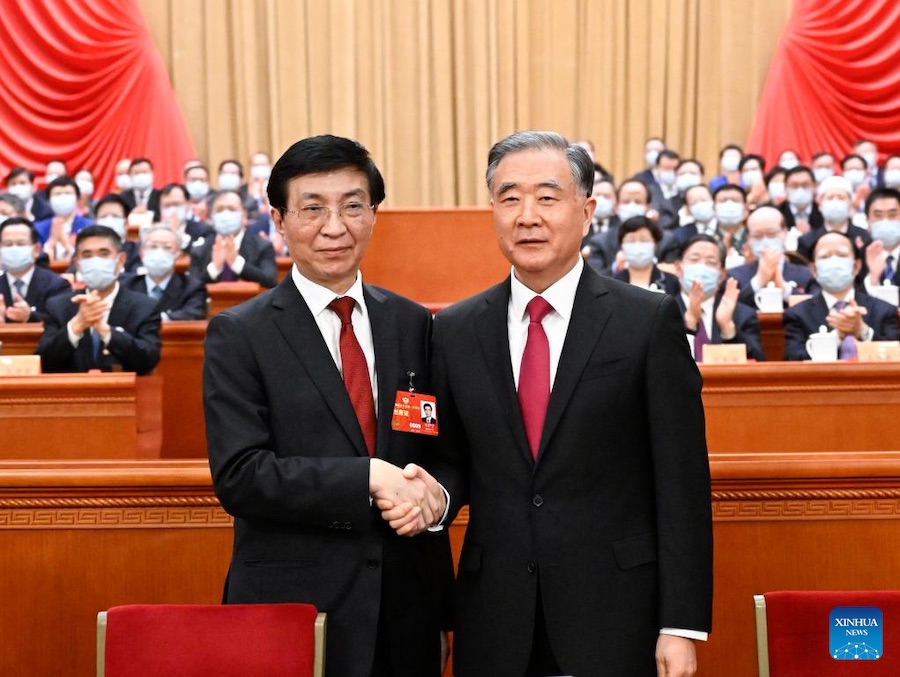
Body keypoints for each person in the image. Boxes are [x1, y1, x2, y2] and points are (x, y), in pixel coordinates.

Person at [402, 131, 712, 677]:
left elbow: (681, 480)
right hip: (494, 617)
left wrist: (680, 624)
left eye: (547, 197)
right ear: (492, 210)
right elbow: (451, 461)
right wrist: (430, 496)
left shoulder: (646, 321)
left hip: (617, 614)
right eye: (509, 197)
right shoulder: (453, 330)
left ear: (586, 211)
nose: (527, 216)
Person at [203, 134, 452, 677]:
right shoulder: (239, 334)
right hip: (294, 608)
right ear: (279, 219)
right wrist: (365, 477)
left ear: (374, 214)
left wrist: (437, 497)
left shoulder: (413, 324)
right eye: (313, 208)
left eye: (352, 206)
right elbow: (241, 476)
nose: (334, 227)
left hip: (405, 606)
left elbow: (441, 445)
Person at [36, 225, 161, 374]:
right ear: (77, 264)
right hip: (72, 393)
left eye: (104, 253)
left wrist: (106, 331)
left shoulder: (144, 306)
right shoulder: (58, 306)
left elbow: (148, 361)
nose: (95, 261)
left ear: (120, 260)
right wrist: (76, 325)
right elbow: (43, 363)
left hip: (124, 393)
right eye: (87, 255)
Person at [783, 231, 897, 360]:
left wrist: (862, 331)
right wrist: (837, 337)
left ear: (856, 266)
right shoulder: (797, 315)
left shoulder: (883, 310)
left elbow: (894, 355)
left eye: (842, 255)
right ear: (813, 270)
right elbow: (793, 359)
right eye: (825, 257)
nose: (834, 262)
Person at [675, 234, 764, 361]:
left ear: (722, 275)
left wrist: (728, 328)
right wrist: (689, 326)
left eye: (711, 262)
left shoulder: (743, 314)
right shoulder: (660, 313)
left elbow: (758, 364)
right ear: (679, 268)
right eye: (694, 260)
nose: (702, 267)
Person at [727, 206, 815, 308]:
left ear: (784, 233)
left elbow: (814, 308)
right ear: (749, 238)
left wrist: (783, 287)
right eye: (757, 236)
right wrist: (758, 281)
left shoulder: (806, 274)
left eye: (771, 234)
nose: (765, 241)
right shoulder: (735, 276)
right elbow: (730, 308)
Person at [189, 189, 277, 288]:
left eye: (232, 209)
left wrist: (237, 263)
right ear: (211, 217)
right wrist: (214, 268)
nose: (226, 214)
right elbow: (191, 288)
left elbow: (270, 281)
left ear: (244, 215)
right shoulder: (199, 250)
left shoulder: (262, 246)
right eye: (220, 210)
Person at [122, 226, 207, 321]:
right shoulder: (127, 286)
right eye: (153, 246)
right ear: (142, 252)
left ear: (178, 254)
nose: (159, 252)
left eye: (167, 247)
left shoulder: (192, 287)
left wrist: (155, 320)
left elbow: (193, 314)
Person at [0, 217, 70, 323]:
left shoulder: (57, 285)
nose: (14, 249)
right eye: (8, 244)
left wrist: (30, 316)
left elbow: (62, 323)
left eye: (21, 244)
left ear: (36, 249)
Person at [796, 176, 871, 263]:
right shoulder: (807, 241)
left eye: (841, 198)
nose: (835, 202)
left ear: (850, 204)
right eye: (830, 198)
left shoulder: (864, 237)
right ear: (820, 204)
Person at [612, 215, 680, 294]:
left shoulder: (671, 282)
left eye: (644, 240)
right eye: (631, 240)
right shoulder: (613, 284)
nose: (637, 246)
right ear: (621, 246)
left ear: (655, 244)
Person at [34, 177, 94, 262]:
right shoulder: (38, 228)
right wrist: (52, 241)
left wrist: (65, 243)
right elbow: (35, 257)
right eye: (57, 194)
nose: (63, 197)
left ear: (77, 198)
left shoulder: (89, 226)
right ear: (48, 200)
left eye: (68, 193)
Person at [863, 187, 900, 293]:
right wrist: (872, 279)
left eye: (892, 215)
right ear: (868, 221)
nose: (885, 221)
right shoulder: (859, 256)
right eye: (878, 215)